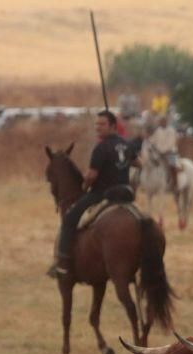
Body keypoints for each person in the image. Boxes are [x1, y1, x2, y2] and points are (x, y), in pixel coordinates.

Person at [53, 110, 141, 276]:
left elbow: (92, 175)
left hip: (102, 194)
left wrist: (84, 186)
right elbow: (139, 163)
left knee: (70, 217)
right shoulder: (126, 144)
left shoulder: (101, 148)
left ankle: (62, 263)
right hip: (125, 193)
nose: (97, 127)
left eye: (102, 124)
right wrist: (122, 163)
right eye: (96, 124)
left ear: (113, 126)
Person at [147, 114, 182, 189]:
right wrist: (149, 145)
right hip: (159, 153)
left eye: (163, 121)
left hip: (170, 152)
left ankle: (175, 183)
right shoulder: (158, 130)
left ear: (166, 122)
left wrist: (165, 151)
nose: (162, 123)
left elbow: (172, 142)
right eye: (160, 121)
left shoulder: (171, 130)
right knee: (150, 162)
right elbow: (152, 140)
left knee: (173, 166)